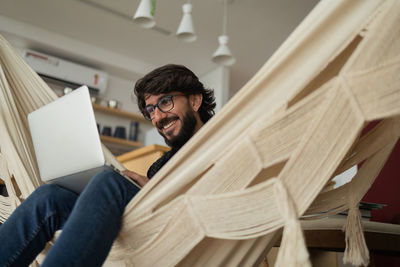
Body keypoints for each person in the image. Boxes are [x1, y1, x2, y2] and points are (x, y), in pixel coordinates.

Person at [0, 64, 216, 267]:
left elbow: (217, 196)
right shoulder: (159, 166)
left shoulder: (224, 143)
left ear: (195, 101)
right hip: (139, 222)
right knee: (49, 196)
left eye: (165, 102)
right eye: (151, 110)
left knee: (108, 180)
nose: (158, 116)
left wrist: (153, 190)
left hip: (179, 229)